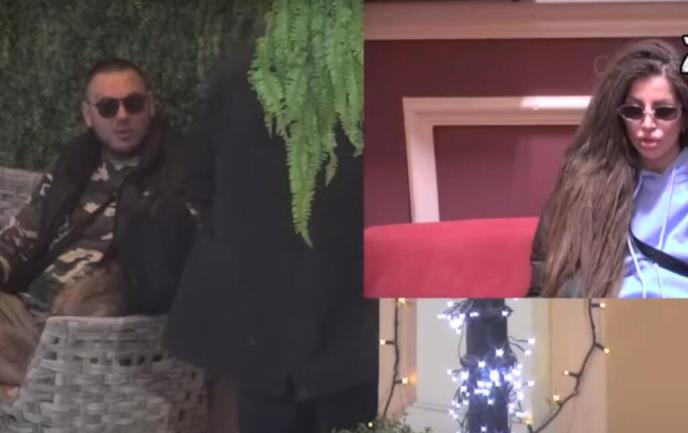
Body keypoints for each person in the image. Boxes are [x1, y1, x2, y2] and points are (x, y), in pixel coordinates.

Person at [164, 39, 379, 433]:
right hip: (348, 312)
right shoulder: (370, 76)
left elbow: (198, 184)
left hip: (260, 315)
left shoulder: (234, 77)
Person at [0, 58, 196, 397]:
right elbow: (18, 240)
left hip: (100, 325)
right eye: (108, 107)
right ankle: (32, 385)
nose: (122, 116)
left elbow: (180, 269)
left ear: (150, 105)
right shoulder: (72, 166)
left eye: (133, 103)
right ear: (88, 115)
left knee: (88, 313)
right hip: (29, 314)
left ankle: (31, 385)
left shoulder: (180, 174)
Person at [528, 39, 688, 298]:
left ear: (684, 118)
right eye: (634, 111)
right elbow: (545, 282)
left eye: (664, 111)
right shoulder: (586, 184)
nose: (647, 124)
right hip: (610, 319)